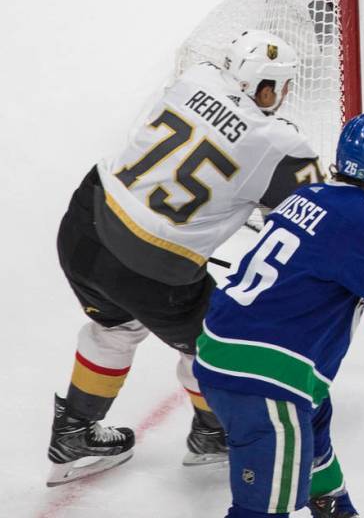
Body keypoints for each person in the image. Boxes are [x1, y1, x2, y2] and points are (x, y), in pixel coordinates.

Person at [48, 29, 324, 486]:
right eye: (281, 86)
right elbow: (318, 212)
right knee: (214, 342)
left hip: (85, 224)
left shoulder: (193, 77)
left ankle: (74, 431)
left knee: (114, 325)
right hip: (153, 267)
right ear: (266, 88)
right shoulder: (280, 144)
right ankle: (212, 433)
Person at [193, 112, 364, 518]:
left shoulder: (304, 196)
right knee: (260, 510)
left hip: (221, 350)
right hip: (264, 378)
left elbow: (332, 244)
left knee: (313, 434)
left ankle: (337, 510)